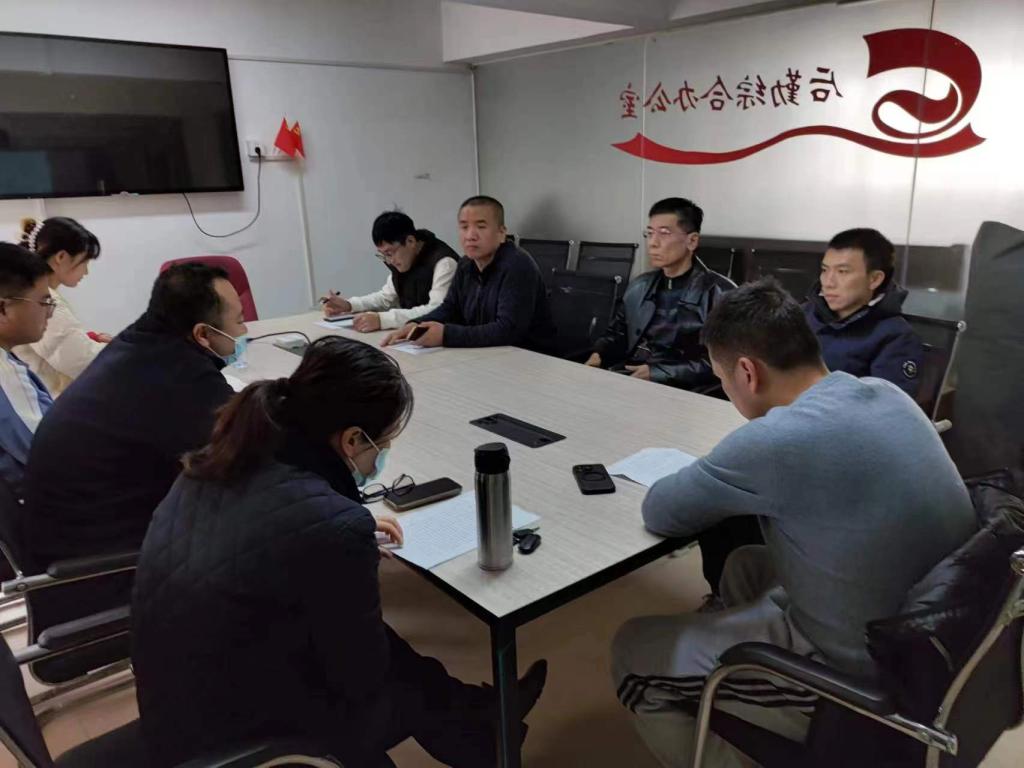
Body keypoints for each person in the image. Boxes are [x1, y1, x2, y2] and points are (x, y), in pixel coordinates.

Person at [131, 336, 547, 767]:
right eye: (383, 442)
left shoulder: (225, 458)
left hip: (178, 702)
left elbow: (269, 538)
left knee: (382, 646)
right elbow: (361, 681)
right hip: (237, 736)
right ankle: (483, 730)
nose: (384, 453)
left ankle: (482, 723)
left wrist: (340, 527)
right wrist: (343, 533)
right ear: (352, 440)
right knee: (398, 679)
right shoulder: (331, 527)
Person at [611, 279, 974, 768]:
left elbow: (662, 510)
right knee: (744, 564)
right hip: (936, 641)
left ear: (747, 372)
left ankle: (746, 693)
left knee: (632, 653)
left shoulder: (778, 440)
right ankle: (734, 692)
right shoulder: (885, 393)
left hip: (867, 686)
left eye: (722, 379)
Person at [23, 262, 246, 624]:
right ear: (203, 334)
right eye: (239, 321)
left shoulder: (138, 347)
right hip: (104, 576)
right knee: (272, 534)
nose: (244, 330)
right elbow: (248, 458)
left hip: (68, 550)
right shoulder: (178, 378)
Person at [586, 197, 734, 391]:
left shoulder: (722, 294)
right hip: (630, 379)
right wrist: (599, 354)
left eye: (664, 233)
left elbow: (727, 363)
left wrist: (658, 373)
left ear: (692, 241)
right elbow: (617, 333)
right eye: (649, 233)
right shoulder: (639, 286)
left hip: (679, 391)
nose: (653, 243)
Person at [382, 196, 555, 349]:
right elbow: (449, 308)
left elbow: (508, 330)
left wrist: (446, 335)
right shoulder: (465, 264)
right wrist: (415, 324)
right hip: (490, 354)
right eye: (464, 227)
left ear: (501, 233)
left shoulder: (517, 265)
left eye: (481, 226)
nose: (470, 235)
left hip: (530, 357)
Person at [805, 228, 923, 397]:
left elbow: (887, 407)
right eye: (825, 270)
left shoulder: (895, 337)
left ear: (874, 279)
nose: (828, 282)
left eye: (842, 271)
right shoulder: (804, 314)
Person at [14, 217, 111, 396]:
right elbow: (82, 361)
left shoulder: (33, 292)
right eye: (84, 262)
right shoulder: (43, 300)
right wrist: (119, 349)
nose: (86, 272)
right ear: (61, 257)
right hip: (47, 401)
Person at [321, 210, 459, 332]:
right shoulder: (404, 260)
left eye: (389, 253)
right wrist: (349, 305)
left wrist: (382, 320)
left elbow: (437, 310)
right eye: (383, 255)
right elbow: (385, 298)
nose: (389, 261)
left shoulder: (444, 263)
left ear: (410, 241)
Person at [0, 243, 55, 500]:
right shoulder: (4, 373)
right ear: (3, 309)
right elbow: (50, 455)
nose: (49, 313)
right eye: (44, 302)